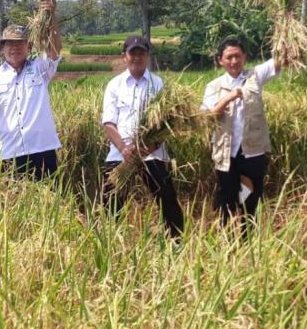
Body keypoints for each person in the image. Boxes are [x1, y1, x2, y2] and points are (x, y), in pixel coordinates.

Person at [100, 36, 184, 238]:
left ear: (147, 56)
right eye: (132, 53)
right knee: (111, 200)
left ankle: (176, 242)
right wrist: (124, 149)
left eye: (141, 53)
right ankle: (112, 243)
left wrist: (150, 147)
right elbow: (109, 123)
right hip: (121, 154)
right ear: (124, 56)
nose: (137, 57)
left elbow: (166, 123)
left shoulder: (159, 85)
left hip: (152, 154)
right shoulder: (114, 85)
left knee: (168, 199)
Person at [0, 0, 62, 181]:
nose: (15, 48)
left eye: (20, 43)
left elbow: (54, 50)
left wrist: (51, 17)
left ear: (28, 47)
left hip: (42, 149)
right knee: (14, 202)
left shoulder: (40, 68)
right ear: (2, 48)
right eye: (9, 44)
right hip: (10, 153)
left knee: (49, 203)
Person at [200, 39, 281, 233]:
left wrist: (286, 33)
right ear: (221, 60)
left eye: (238, 56)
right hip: (226, 152)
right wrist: (230, 96)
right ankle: (226, 242)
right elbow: (208, 116)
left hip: (252, 150)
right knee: (226, 199)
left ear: (245, 57)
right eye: (229, 57)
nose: (234, 61)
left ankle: (248, 241)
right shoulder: (214, 86)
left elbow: (280, 61)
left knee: (250, 198)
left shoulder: (255, 76)